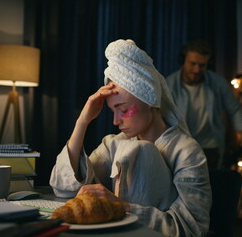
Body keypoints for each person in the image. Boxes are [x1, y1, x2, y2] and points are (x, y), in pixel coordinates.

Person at [49, 39, 212, 237]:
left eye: (123, 110)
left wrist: (123, 206)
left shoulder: (186, 152)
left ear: (150, 99)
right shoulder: (114, 144)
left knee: (142, 151)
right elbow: (63, 189)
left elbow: (192, 229)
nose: (116, 121)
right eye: (112, 112)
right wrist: (82, 121)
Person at [166, 39, 242, 169]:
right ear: (183, 61)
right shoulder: (169, 85)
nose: (196, 70)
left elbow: (234, 109)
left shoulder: (218, 83)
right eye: (193, 63)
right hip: (181, 147)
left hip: (211, 148)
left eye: (202, 65)